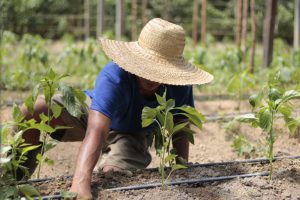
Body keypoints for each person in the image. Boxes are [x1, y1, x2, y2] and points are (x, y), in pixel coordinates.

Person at [20, 18, 213, 199]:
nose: (152, 78)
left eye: (160, 71)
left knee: (114, 176)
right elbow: (96, 130)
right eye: (147, 67)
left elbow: (181, 123)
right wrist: (80, 184)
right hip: (93, 116)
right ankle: (17, 175)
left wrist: (180, 167)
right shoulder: (115, 76)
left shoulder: (179, 85)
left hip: (131, 134)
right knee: (34, 109)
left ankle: (110, 164)